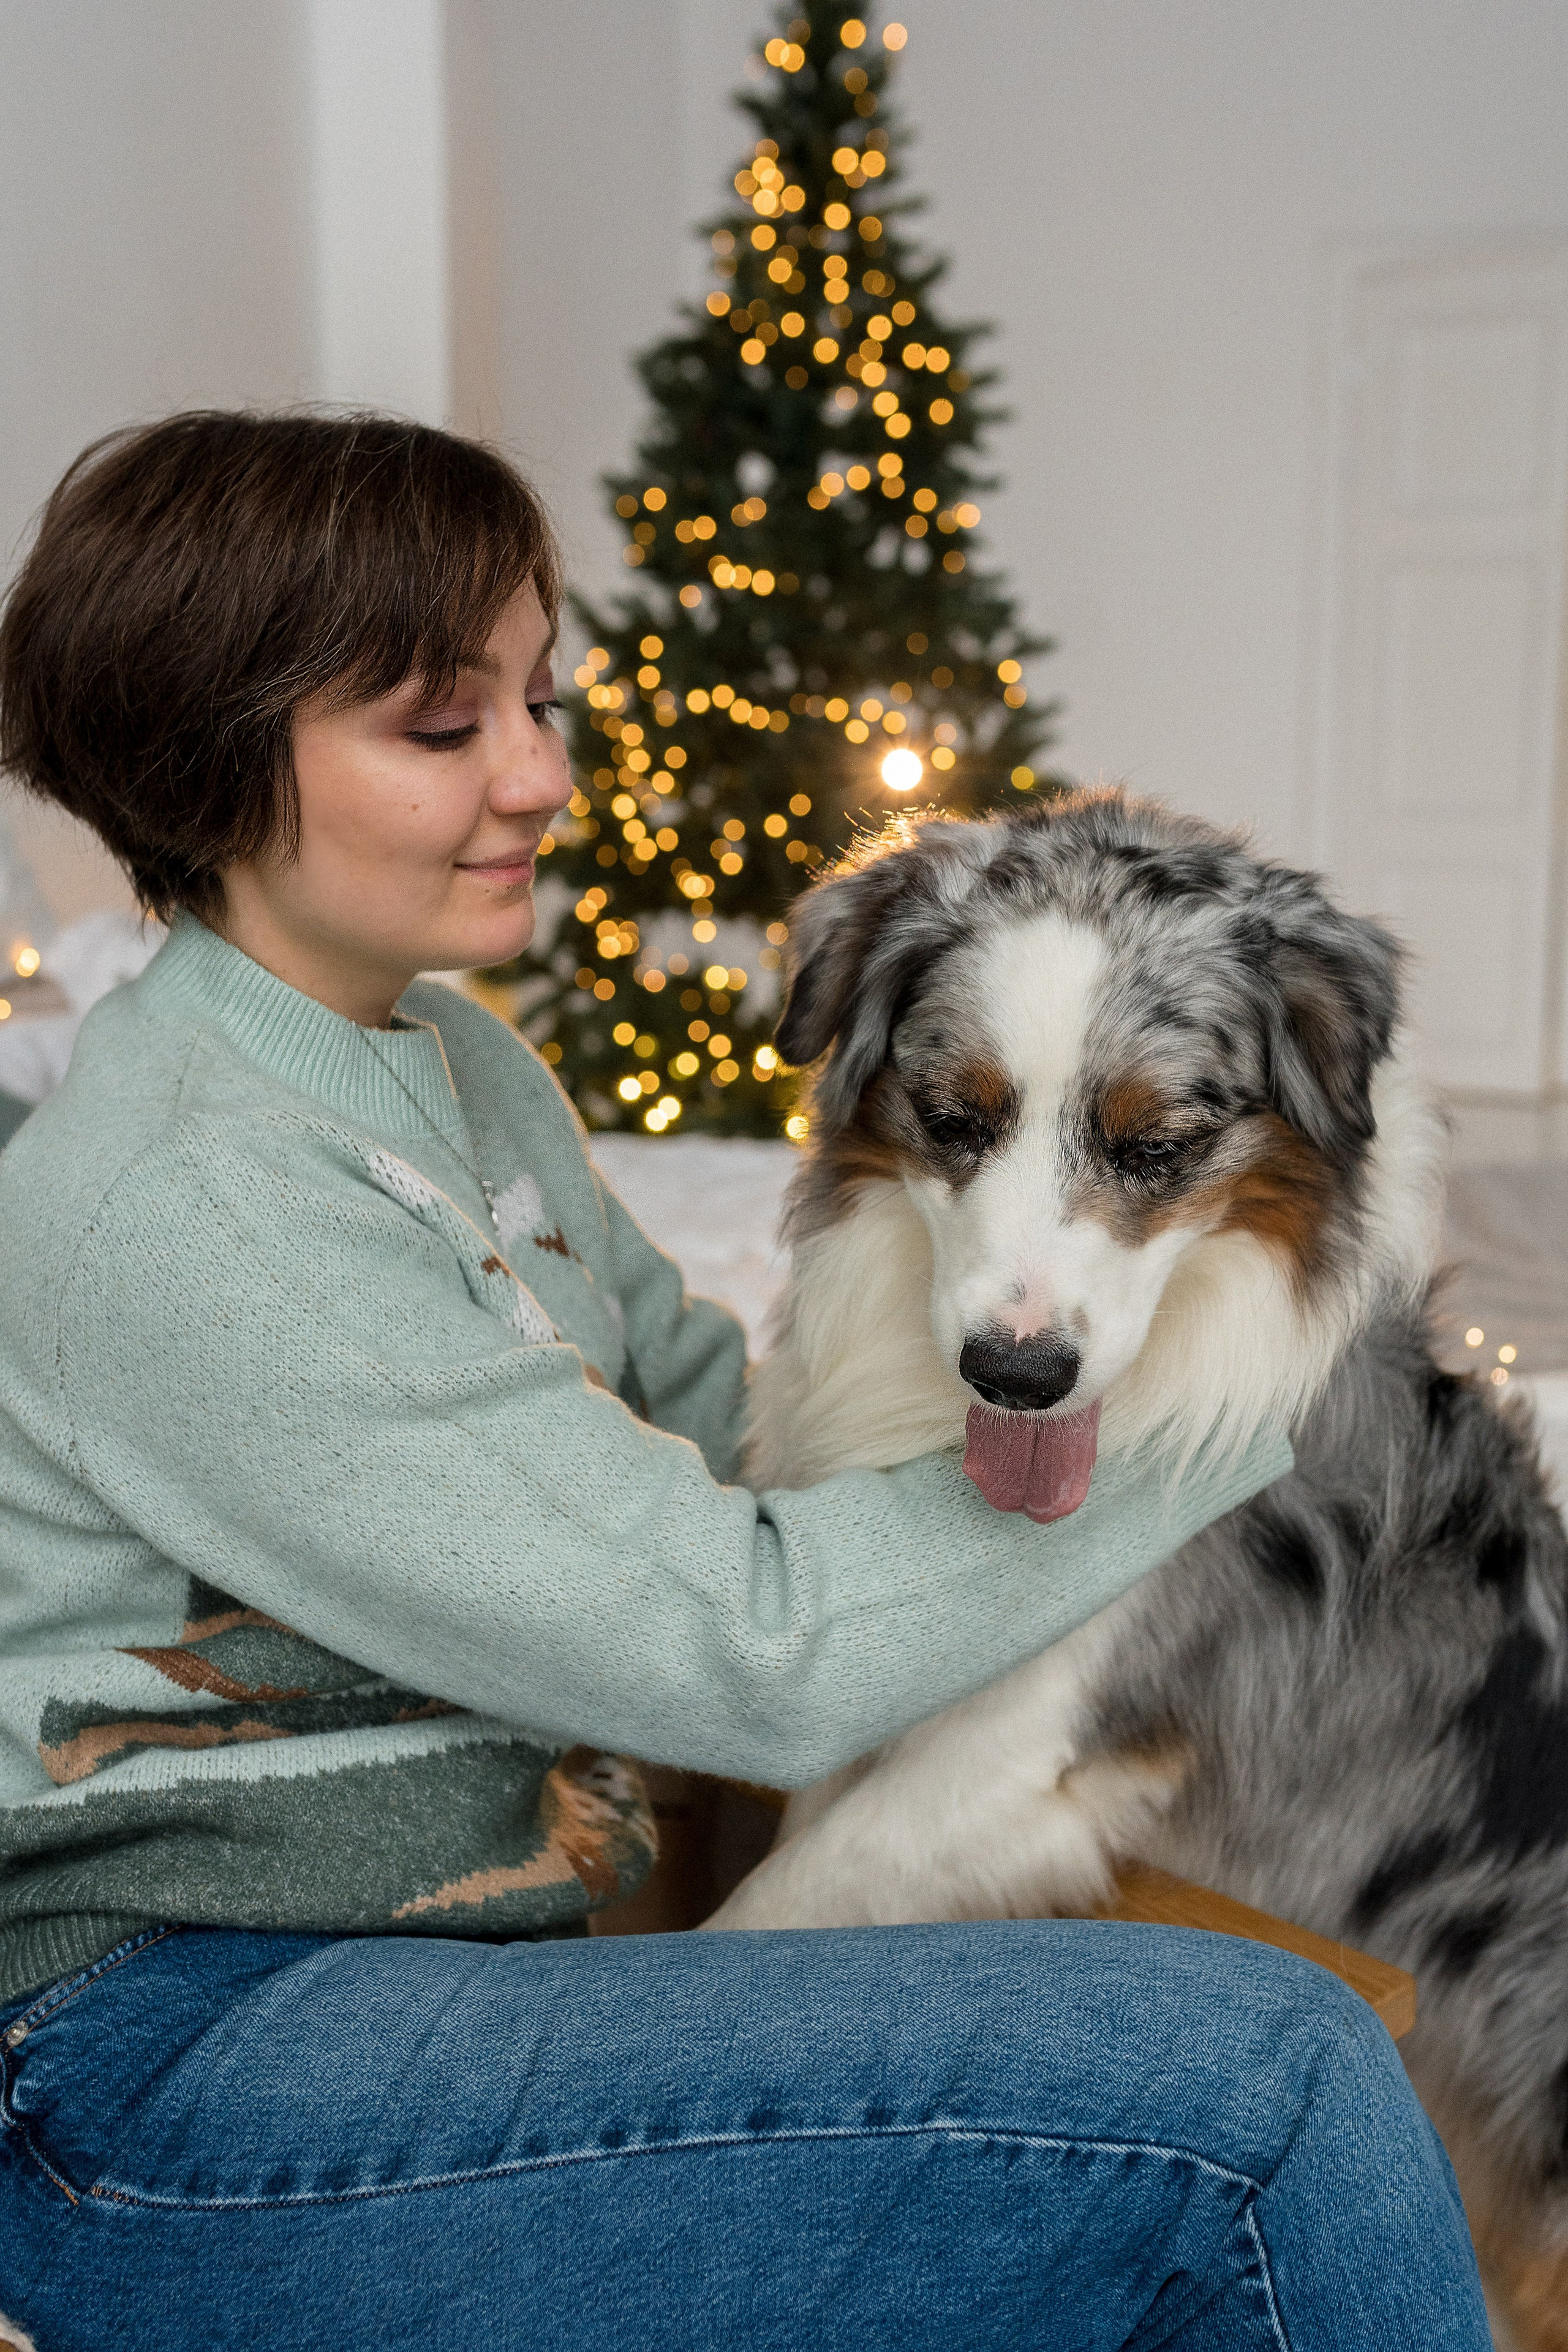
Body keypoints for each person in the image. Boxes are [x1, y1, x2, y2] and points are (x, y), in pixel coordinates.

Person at [0, 413, 1488, 2351]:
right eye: (445, 728)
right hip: (178, 2076)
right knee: (1266, 2088)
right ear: (208, 766)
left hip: (443, 1976)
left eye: (541, 701)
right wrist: (1260, 1407)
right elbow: (753, 1651)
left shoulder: (451, 1063)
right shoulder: (190, 1198)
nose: (543, 776)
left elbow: (716, 1434)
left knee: (1195, 2086)